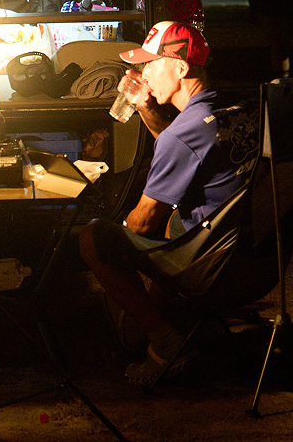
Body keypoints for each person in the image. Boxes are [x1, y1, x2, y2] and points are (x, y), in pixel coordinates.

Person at [78, 22, 260, 385]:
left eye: (150, 63)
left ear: (180, 68)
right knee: (173, 216)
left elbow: (145, 220)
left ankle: (166, 342)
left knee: (95, 238)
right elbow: (184, 149)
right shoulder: (237, 108)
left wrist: (126, 229)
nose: (142, 74)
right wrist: (146, 108)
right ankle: (158, 324)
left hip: (215, 266)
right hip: (260, 257)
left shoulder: (183, 133)